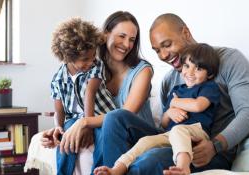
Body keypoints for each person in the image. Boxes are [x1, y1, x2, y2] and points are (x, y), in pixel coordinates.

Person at [100, 13, 249, 175]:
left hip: (208, 151)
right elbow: (165, 127)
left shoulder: (229, 60)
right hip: (172, 139)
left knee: (151, 160)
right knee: (115, 117)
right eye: (157, 50)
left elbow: (248, 112)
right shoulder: (169, 80)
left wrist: (215, 146)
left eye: (167, 44)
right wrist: (169, 112)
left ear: (185, 33)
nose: (163, 55)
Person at [40, 11, 155, 174]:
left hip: (138, 134)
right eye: (121, 36)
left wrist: (85, 122)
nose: (127, 44)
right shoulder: (92, 65)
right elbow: (71, 103)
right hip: (109, 129)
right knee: (71, 131)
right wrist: (60, 128)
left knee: (109, 125)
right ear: (105, 34)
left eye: (132, 39)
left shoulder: (142, 71)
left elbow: (124, 116)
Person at [94, 43, 220, 175]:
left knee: (179, 130)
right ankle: (117, 169)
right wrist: (170, 112)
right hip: (170, 134)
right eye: (187, 66)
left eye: (198, 69)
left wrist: (175, 102)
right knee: (145, 141)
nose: (190, 73)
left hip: (196, 133)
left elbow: (198, 106)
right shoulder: (177, 90)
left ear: (210, 74)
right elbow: (164, 123)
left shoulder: (208, 87)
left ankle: (183, 167)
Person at [50, 17, 116, 175]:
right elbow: (59, 111)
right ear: (67, 57)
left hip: (101, 116)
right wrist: (59, 127)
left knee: (103, 139)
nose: (91, 61)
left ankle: (99, 172)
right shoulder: (58, 79)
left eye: (93, 56)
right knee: (66, 138)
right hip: (75, 118)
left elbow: (90, 93)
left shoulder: (96, 65)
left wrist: (87, 124)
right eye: (85, 59)